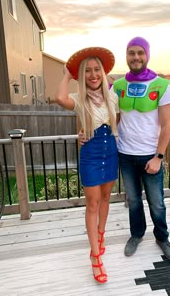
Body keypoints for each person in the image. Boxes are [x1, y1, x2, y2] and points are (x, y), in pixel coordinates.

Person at [55, 47, 119, 284]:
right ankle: (95, 256)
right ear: (82, 76)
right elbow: (60, 98)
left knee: (105, 198)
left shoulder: (113, 97)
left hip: (111, 152)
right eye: (88, 71)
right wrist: (66, 74)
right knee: (92, 203)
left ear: (103, 73)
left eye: (96, 70)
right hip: (91, 156)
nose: (93, 75)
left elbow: (117, 123)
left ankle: (101, 234)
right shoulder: (80, 99)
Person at [113, 36, 170, 262]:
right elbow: (114, 119)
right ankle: (136, 235)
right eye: (132, 53)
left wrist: (158, 157)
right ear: (127, 56)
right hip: (126, 155)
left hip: (151, 157)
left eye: (140, 52)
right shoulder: (118, 86)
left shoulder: (161, 85)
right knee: (133, 201)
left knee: (157, 203)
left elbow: (167, 125)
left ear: (147, 55)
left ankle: (162, 238)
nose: (136, 57)